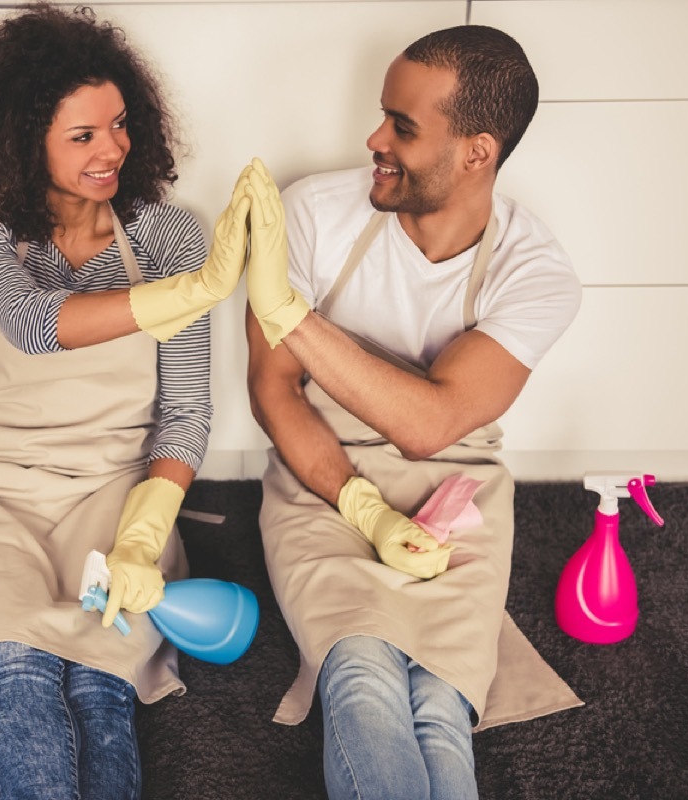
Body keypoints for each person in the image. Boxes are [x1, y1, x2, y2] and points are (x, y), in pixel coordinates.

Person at [242, 25, 584, 800]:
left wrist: (287, 312)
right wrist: (360, 504)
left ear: (476, 152)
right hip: (319, 474)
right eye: (382, 115)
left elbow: (432, 426)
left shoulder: (535, 273)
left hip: (455, 492)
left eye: (403, 126)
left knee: (440, 698)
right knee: (361, 675)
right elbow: (274, 392)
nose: (375, 139)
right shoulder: (313, 214)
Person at [0, 4, 250, 798]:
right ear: (22, 139)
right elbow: (34, 325)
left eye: (121, 125)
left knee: (100, 679)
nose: (113, 151)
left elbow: (185, 415)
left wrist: (144, 532)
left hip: (112, 492)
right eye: (82, 137)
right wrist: (195, 293)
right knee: (15, 669)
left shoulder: (167, 238)